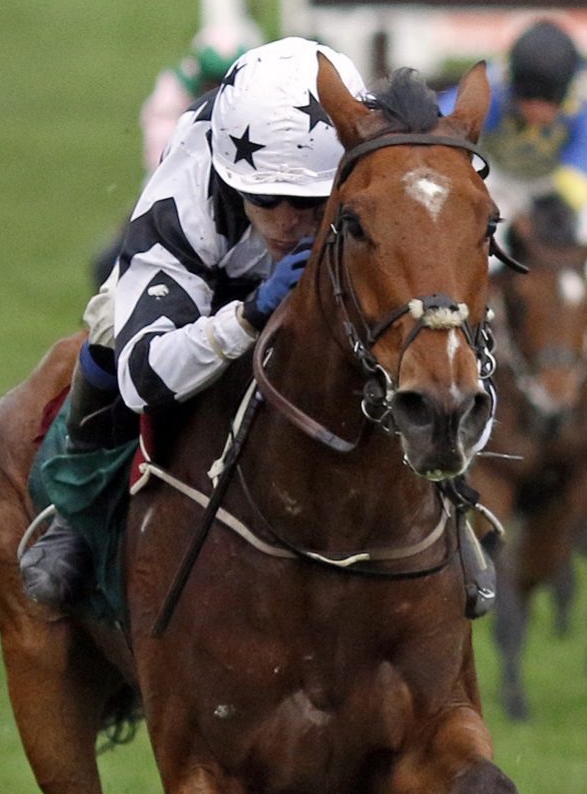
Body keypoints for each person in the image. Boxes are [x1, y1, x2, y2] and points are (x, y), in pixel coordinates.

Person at [21, 37, 368, 609]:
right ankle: (75, 512)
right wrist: (251, 313)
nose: (285, 223)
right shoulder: (186, 192)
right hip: (208, 290)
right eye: (264, 199)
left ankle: (449, 500)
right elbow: (143, 377)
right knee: (110, 328)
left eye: (306, 202)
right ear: (232, 181)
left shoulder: (359, 146)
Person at [464, 19, 587, 249]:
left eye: (547, 101)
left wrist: (566, 198)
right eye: (528, 99)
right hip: (499, 178)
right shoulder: (491, 82)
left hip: (555, 181)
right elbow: (452, 126)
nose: (536, 111)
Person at [139, 21, 264, 173]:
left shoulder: (263, 89)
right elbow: (161, 157)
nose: (219, 94)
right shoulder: (174, 92)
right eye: (213, 84)